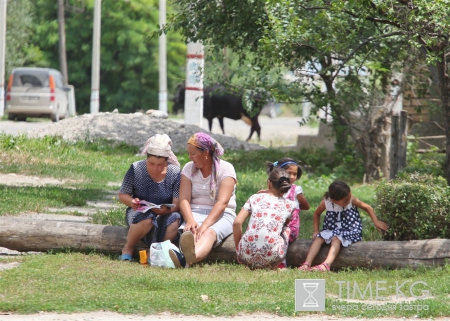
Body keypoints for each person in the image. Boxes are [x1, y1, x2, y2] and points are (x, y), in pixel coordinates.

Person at [169, 132, 237, 268]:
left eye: (193, 153)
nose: (190, 157)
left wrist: (205, 225)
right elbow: (184, 199)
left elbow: (222, 202)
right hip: (195, 212)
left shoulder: (226, 168)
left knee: (209, 233)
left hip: (223, 214)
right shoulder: (188, 168)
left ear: (206, 152)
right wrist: (190, 220)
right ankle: (188, 260)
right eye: (189, 153)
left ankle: (184, 261)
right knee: (191, 233)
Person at [298, 180, 389, 271]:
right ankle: (307, 263)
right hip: (332, 229)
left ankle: (326, 265)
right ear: (334, 200)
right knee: (319, 238)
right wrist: (316, 231)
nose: (349, 200)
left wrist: (376, 221)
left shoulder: (351, 200)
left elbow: (367, 207)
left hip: (351, 230)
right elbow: (316, 214)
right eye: (345, 200)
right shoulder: (327, 202)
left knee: (336, 238)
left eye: (349, 197)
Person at [118, 134, 182, 261]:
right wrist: (132, 202)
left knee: (175, 219)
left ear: (167, 160)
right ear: (147, 158)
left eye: (160, 164)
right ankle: (128, 248)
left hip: (164, 214)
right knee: (146, 218)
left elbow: (177, 202)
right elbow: (123, 194)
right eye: (152, 163)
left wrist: (167, 210)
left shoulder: (175, 173)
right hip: (139, 211)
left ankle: (157, 252)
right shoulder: (136, 168)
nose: (156, 168)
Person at [234, 168, 295, 269]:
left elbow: (237, 223)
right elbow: (287, 221)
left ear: (269, 183)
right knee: (286, 228)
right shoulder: (290, 205)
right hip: (272, 257)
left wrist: (238, 250)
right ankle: (278, 264)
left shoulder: (255, 197)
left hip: (245, 254)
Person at [262, 158, 310, 268]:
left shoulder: (295, 190)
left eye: (295, 174)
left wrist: (295, 208)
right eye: (289, 173)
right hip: (276, 224)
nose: (292, 177)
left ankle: (280, 263)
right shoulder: (273, 188)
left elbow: (306, 206)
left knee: (281, 239)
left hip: (290, 227)